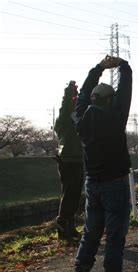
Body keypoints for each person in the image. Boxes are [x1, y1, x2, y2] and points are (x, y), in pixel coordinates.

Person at [73, 55, 132, 272]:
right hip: (116, 185)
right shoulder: (117, 115)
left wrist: (97, 69)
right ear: (111, 100)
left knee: (90, 236)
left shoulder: (81, 119)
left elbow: (84, 94)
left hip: (92, 185)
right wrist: (123, 66)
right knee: (115, 240)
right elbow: (125, 90)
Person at [53, 80, 84, 242]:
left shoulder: (76, 120)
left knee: (75, 195)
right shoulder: (64, 120)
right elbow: (65, 107)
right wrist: (69, 91)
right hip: (68, 160)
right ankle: (63, 230)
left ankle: (70, 228)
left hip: (79, 160)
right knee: (69, 195)